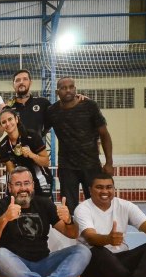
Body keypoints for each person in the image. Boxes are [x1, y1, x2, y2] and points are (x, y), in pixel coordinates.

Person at [0, 166, 91, 277]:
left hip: (43, 263)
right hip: (13, 270)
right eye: (18, 184)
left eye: (26, 183)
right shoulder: (1, 205)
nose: (23, 188)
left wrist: (69, 220)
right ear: (10, 188)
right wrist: (5, 218)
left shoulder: (44, 203)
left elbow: (73, 233)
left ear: (33, 185)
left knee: (83, 251)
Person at [44, 76, 114, 215]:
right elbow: (40, 131)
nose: (68, 90)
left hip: (91, 165)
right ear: (58, 92)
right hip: (67, 167)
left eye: (71, 87)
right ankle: (72, 236)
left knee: (97, 204)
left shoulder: (89, 106)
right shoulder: (52, 111)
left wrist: (109, 163)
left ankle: (99, 233)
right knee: (69, 208)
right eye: (63, 88)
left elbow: (104, 134)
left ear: (75, 89)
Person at [0, 108, 52, 198]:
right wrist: (18, 185)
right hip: (18, 181)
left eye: (10, 119)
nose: (7, 124)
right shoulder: (3, 145)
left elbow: (46, 162)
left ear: (16, 119)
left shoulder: (32, 136)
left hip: (39, 179)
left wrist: (32, 155)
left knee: (42, 207)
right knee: (14, 205)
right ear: (1, 126)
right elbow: (11, 170)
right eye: (3, 122)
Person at [0, 69, 51, 140]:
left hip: (37, 149)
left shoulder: (42, 103)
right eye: (17, 80)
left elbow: (49, 125)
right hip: (16, 150)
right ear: (13, 85)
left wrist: (40, 136)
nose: (21, 82)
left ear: (30, 82)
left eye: (25, 79)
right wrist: (2, 113)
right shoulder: (8, 107)